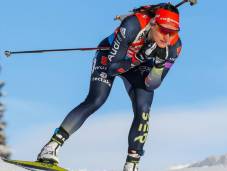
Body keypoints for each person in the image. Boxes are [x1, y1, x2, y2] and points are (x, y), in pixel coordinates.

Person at [37, 3, 182, 171]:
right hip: (112, 57)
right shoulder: (132, 25)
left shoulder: (175, 47)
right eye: (164, 30)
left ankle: (132, 165)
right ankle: (51, 147)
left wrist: (158, 65)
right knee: (96, 100)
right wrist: (139, 57)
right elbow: (113, 68)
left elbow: (152, 85)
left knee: (144, 108)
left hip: (139, 64)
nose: (167, 37)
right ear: (153, 24)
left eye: (173, 32)